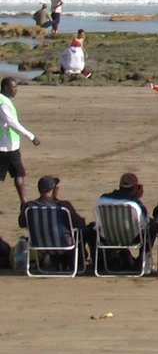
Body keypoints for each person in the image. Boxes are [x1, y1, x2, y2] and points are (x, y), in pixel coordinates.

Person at [20, 174, 94, 270]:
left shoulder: (29, 207)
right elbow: (80, 224)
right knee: (86, 231)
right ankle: (77, 262)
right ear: (54, 190)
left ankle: (54, 261)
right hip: (64, 244)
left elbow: (22, 224)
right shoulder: (62, 206)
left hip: (39, 245)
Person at [1, 76, 42, 207]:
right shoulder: (2, 102)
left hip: (11, 145)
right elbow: (12, 122)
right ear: (6, 88)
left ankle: (24, 202)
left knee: (19, 174)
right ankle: (23, 202)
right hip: (3, 146)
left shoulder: (6, 100)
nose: (16, 90)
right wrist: (31, 136)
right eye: (14, 87)